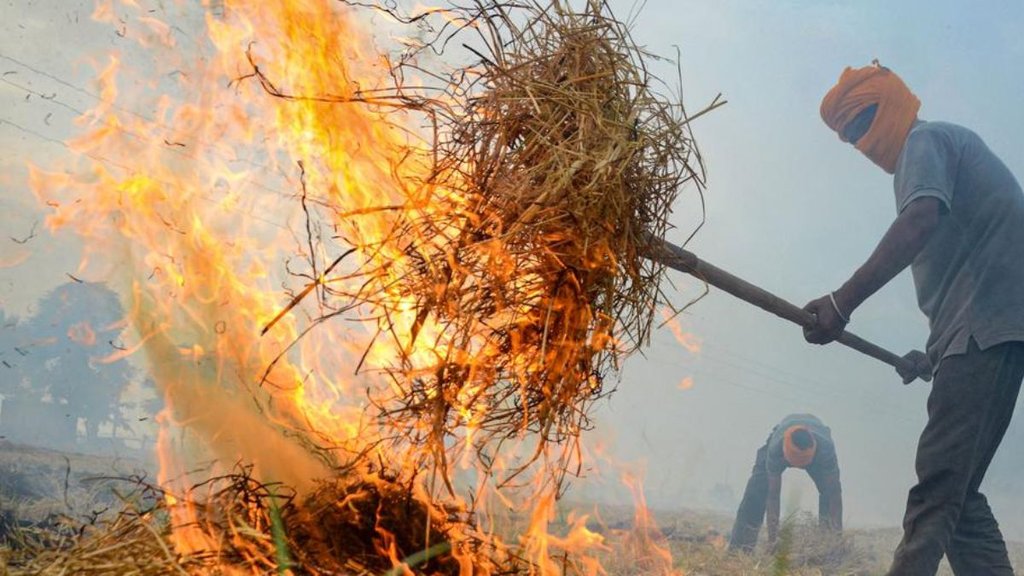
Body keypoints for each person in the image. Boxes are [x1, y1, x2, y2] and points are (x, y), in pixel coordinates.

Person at [808, 62, 1024, 575]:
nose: (862, 142)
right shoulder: (941, 151)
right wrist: (929, 356)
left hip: (984, 333)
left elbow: (919, 221)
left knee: (937, 488)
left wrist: (842, 303)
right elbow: (970, 268)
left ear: (894, 104)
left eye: (864, 123)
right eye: (851, 136)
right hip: (983, 334)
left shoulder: (922, 144)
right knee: (957, 495)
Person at [728, 413, 842, 553]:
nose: (799, 467)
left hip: (817, 445)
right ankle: (739, 550)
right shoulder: (776, 449)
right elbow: (773, 495)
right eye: (796, 462)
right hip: (781, 439)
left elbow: (835, 494)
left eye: (803, 463)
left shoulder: (825, 451)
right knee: (757, 489)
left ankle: (827, 547)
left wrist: (837, 537)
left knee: (828, 495)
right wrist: (772, 540)